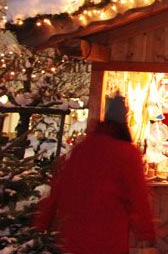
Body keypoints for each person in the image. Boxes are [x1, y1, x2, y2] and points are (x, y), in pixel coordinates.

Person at [35, 94, 157, 253]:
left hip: (78, 233)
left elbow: (60, 186)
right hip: (111, 234)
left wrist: (43, 221)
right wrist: (146, 232)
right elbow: (138, 196)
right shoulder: (127, 152)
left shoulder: (82, 149)